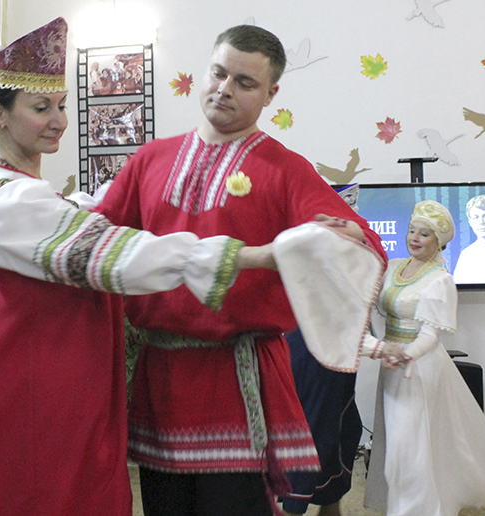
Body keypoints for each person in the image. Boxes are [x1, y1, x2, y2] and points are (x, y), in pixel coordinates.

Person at [0, 17, 276, 516]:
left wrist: (169, 169)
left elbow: (90, 211)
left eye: (62, 105)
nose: (59, 121)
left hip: (66, 399)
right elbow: (116, 254)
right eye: (41, 108)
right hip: (31, 408)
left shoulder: (40, 201)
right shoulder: (6, 207)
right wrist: (256, 255)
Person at [96, 25, 387, 516]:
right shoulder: (150, 159)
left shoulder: (285, 169)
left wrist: (320, 242)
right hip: (160, 380)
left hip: (238, 380)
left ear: (271, 94)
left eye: (245, 83)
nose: (224, 89)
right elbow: (99, 242)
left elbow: (363, 245)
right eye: (218, 73)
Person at [363, 200, 485, 516]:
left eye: (424, 234)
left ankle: (417, 509)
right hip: (392, 366)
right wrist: (380, 346)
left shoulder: (440, 280)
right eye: (412, 230)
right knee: (398, 442)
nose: (414, 238)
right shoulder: (394, 267)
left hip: (419, 369)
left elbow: (430, 336)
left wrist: (404, 355)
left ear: (440, 242)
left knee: (409, 446)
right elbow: (375, 307)